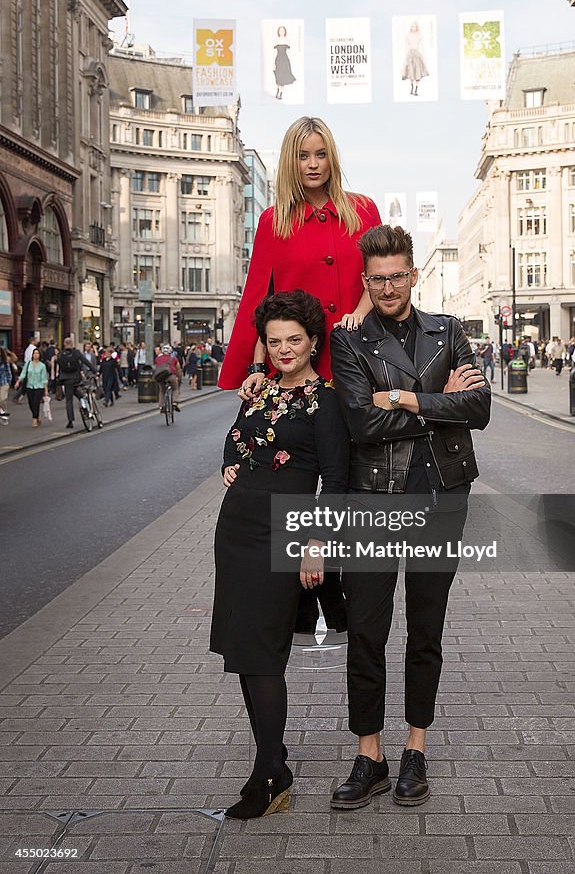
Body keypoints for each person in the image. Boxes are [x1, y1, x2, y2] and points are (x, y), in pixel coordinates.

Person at [329, 225, 490, 810]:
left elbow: (479, 407)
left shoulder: (448, 330)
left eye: (398, 275)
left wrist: (400, 397)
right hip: (374, 499)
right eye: (378, 278)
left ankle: (414, 749)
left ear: (414, 275)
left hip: (442, 494)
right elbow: (360, 425)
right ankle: (369, 755)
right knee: (367, 632)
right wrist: (438, 400)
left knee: (426, 629)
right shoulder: (348, 339)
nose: (390, 286)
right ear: (365, 283)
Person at [210, 291, 349, 819]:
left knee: (265, 654)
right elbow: (237, 439)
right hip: (237, 529)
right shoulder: (258, 391)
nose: (284, 349)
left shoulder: (327, 399)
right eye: (274, 341)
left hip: (286, 531)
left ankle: (270, 773)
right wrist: (229, 462)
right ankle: (274, 759)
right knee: (246, 651)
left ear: (314, 341)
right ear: (263, 347)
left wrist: (316, 541)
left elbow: (335, 479)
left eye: (294, 339)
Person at [218, 116, 382, 393]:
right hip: (298, 366)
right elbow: (261, 302)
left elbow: (379, 276)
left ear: (332, 158)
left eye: (321, 154)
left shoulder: (364, 210)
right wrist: (258, 366)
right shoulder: (273, 221)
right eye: (302, 156)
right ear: (290, 163)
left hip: (361, 356)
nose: (313, 164)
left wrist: (359, 313)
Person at [57, 337, 97, 429]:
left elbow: (59, 366)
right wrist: (94, 370)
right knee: (79, 394)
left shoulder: (60, 354)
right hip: (75, 378)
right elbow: (86, 362)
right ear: (72, 343)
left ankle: (70, 421)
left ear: (64, 344)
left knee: (69, 400)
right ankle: (85, 406)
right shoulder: (76, 353)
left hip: (66, 379)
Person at [16, 347, 49, 427]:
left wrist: (46, 389)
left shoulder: (42, 366)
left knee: (36, 403)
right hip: (29, 386)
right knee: (31, 404)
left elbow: (44, 379)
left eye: (37, 353)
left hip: (39, 387)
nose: (35, 355)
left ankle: (34, 420)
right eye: (34, 353)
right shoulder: (28, 364)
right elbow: (23, 374)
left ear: (40, 355)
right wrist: (18, 381)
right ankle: (37, 417)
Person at [401, 22, 429, 96]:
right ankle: (412, 88)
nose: (414, 28)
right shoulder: (407, 36)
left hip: (417, 54)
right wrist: (405, 58)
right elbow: (406, 47)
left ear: (417, 27)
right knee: (411, 72)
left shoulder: (420, 36)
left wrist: (424, 57)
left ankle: (416, 89)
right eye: (412, 26)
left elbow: (422, 47)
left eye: (415, 26)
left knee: (417, 72)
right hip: (410, 54)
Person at [154, 344, 181, 411]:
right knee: (175, 389)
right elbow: (178, 369)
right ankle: (175, 402)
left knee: (162, 391)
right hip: (171, 376)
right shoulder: (173, 359)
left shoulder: (157, 359)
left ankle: (161, 406)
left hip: (161, 377)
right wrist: (179, 377)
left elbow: (156, 368)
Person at [273, 25, 296, 100]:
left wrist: (290, 62)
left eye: (283, 30)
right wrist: (273, 63)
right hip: (278, 60)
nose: (281, 32)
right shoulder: (276, 40)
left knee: (283, 77)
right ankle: (277, 91)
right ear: (278, 32)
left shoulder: (287, 40)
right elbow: (274, 52)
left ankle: (281, 93)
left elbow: (289, 52)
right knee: (278, 76)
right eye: (280, 30)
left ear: (285, 31)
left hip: (285, 60)